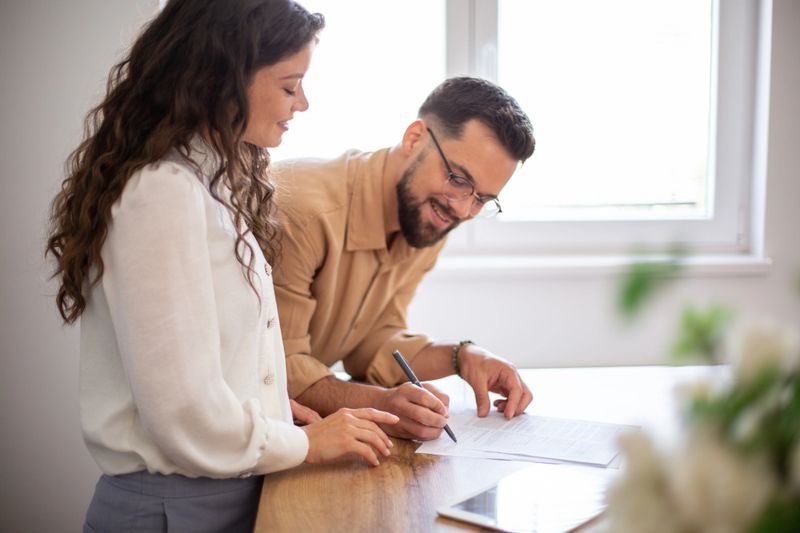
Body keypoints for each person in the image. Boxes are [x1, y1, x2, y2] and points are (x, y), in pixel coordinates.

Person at [46, 1, 397, 531]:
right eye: (288, 85)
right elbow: (183, 415)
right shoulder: (162, 194)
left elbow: (207, 366)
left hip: (209, 497)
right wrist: (304, 442)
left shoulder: (205, 187)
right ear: (221, 79)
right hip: (174, 508)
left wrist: (273, 408)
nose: (302, 102)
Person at [272, 77, 536, 441]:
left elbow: (373, 343)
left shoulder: (427, 218)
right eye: (459, 179)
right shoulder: (302, 211)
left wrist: (463, 357)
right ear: (414, 138)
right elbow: (278, 370)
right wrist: (384, 403)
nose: (462, 210)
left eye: (481, 199)